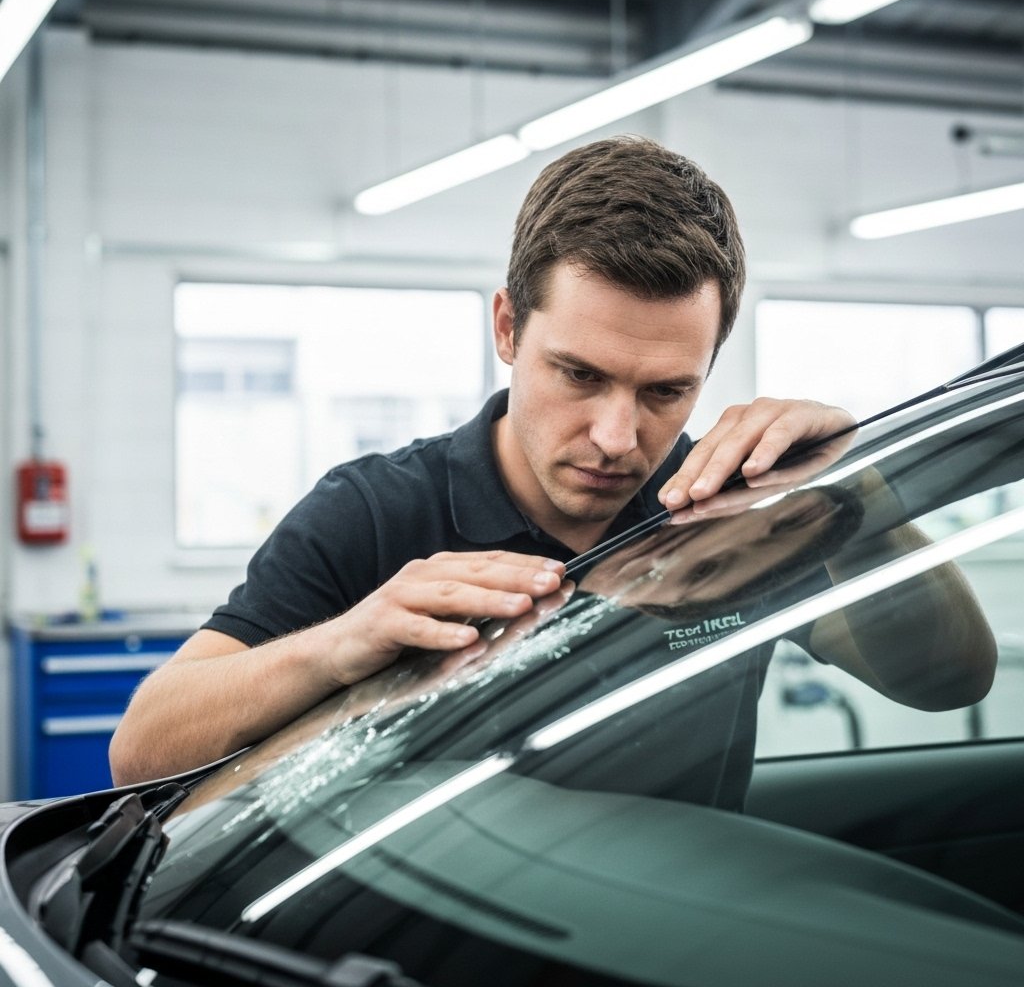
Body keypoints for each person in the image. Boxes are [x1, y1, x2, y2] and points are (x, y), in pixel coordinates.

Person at [108, 135, 992, 787]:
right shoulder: (376, 512)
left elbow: (950, 679)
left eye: (663, 393)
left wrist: (856, 495)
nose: (617, 437)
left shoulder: (733, 512)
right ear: (506, 327)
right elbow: (143, 747)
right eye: (579, 374)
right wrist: (345, 645)